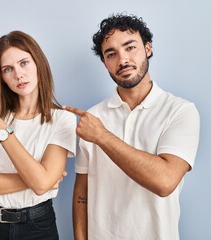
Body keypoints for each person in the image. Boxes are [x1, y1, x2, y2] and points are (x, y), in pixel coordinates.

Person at [64, 13, 200, 240]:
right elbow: (82, 191)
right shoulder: (94, 117)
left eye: (130, 47)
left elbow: (165, 182)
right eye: (111, 54)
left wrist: (102, 136)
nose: (123, 60)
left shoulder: (180, 111)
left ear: (148, 48)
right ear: (105, 63)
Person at [0, 30, 76, 240]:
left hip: (38, 226)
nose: (18, 74)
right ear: (1, 77)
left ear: (38, 63)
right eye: (8, 69)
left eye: (24, 63)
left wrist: (3, 132)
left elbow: (42, 185)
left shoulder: (63, 119)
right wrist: (38, 179)